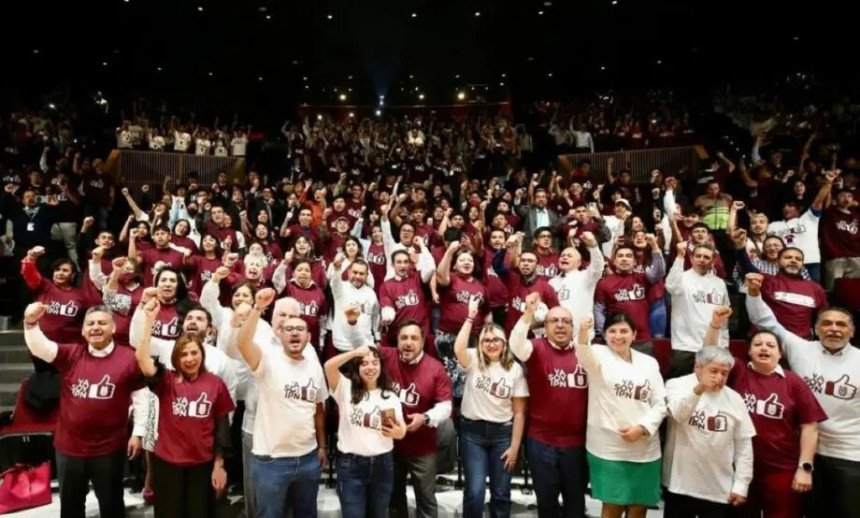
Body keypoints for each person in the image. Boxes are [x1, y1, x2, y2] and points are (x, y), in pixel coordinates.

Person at [745, 274, 860, 517]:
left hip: (850, 455)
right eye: (827, 323)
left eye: (841, 325)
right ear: (816, 329)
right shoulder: (801, 349)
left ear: (852, 331)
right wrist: (754, 294)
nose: (834, 329)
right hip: (807, 453)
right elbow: (766, 320)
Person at [704, 302, 826, 518]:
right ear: (749, 351)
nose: (764, 348)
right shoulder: (738, 371)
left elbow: (810, 426)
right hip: (739, 467)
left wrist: (804, 468)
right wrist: (715, 324)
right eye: (758, 344)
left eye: (771, 345)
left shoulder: (793, 382)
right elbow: (709, 355)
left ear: (780, 354)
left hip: (781, 469)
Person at [23, 303, 144, 518]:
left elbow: (142, 397)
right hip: (69, 448)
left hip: (109, 449)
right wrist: (31, 323)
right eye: (90, 323)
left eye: (101, 323)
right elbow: (41, 348)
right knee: (70, 507)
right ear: (83, 330)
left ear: (114, 328)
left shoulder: (129, 358)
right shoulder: (71, 353)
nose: (95, 327)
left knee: (112, 506)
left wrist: (139, 432)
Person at [344, 314, 452, 518]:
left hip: (422, 446)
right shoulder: (386, 356)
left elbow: (445, 406)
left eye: (414, 338)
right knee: (394, 499)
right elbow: (362, 346)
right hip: (391, 446)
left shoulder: (435, 368)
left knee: (426, 499)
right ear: (398, 340)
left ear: (422, 341)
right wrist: (352, 322)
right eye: (404, 338)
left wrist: (425, 418)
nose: (408, 343)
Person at [135, 298, 234, 518]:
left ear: (202, 354)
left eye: (194, 353)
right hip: (167, 462)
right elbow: (142, 358)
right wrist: (148, 321)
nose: (189, 359)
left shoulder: (215, 383)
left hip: (202, 464)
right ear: (176, 358)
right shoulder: (166, 381)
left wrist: (219, 465)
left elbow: (222, 428)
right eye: (183, 354)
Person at [236, 288, 328, 518]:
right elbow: (243, 343)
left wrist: (323, 446)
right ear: (281, 335)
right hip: (272, 460)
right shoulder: (267, 358)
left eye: (299, 328)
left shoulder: (314, 362)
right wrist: (257, 308)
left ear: (308, 335)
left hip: (307, 457)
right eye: (287, 328)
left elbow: (318, 408)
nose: (293, 332)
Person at [575, 314, 666, 518]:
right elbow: (582, 353)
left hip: (645, 449)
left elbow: (660, 403)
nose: (618, 336)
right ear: (605, 335)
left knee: (638, 508)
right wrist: (582, 331)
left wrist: (642, 428)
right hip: (608, 449)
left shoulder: (649, 363)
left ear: (634, 334)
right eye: (612, 331)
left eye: (624, 331)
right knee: (612, 509)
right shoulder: (598, 354)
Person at [509, 295, 588, 518]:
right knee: (547, 503)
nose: (560, 325)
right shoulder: (535, 348)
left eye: (565, 321)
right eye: (554, 321)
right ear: (545, 326)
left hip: (577, 444)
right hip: (542, 442)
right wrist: (527, 313)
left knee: (576, 504)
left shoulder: (586, 352)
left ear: (573, 326)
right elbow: (515, 344)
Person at [455, 297, 528, 518]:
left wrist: (515, 447)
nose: (491, 344)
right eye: (486, 340)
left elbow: (519, 412)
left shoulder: (514, 369)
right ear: (480, 344)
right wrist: (470, 317)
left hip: (502, 435)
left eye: (496, 339)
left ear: (504, 343)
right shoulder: (474, 359)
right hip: (472, 433)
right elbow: (458, 348)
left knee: (501, 492)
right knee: (475, 491)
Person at [663, 346, 756, 518]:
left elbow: (744, 447)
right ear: (697, 367)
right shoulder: (675, 385)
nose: (719, 378)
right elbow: (678, 415)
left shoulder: (735, 399)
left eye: (724, 373)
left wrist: (741, 485)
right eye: (713, 371)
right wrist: (698, 389)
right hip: (679, 484)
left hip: (718, 487)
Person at [323, 345, 407, 518]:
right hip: (351, 466)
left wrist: (398, 432)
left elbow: (401, 430)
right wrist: (355, 352)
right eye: (364, 363)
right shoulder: (345, 389)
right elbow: (329, 366)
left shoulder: (389, 396)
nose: (370, 367)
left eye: (375, 363)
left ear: (381, 367)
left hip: (383, 465)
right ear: (357, 367)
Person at [665, 241, 729, 378]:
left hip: (713, 348)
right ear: (691, 258)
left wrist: (724, 343)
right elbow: (670, 286)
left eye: (706, 257)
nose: (701, 259)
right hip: (685, 347)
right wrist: (680, 257)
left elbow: (724, 316)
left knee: (710, 391)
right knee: (680, 390)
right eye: (698, 256)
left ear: (713, 261)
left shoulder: (719, 283)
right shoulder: (681, 278)